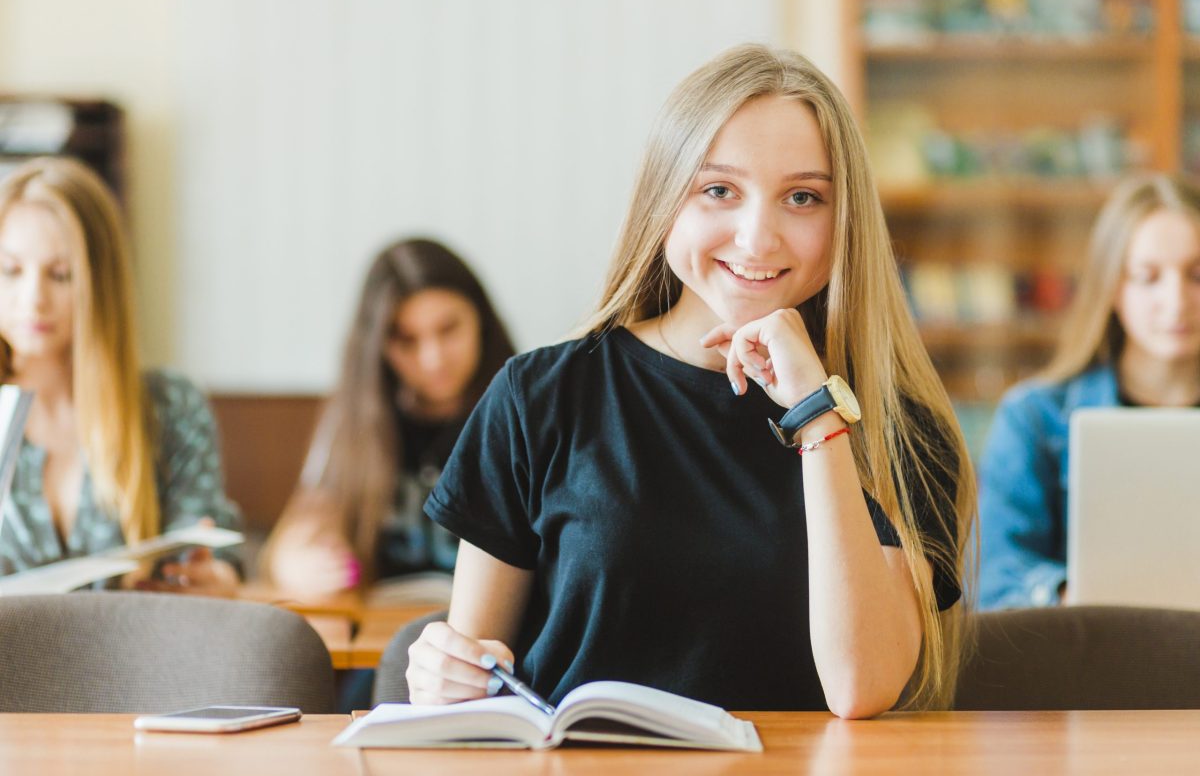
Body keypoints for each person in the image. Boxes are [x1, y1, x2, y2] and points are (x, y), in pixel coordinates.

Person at [405, 44, 976, 718]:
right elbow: (474, 688)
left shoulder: (902, 430)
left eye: (803, 197)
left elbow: (862, 686)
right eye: (719, 191)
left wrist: (816, 411)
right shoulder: (540, 396)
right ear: (664, 201)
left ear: (844, 219)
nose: (757, 238)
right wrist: (446, 676)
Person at [0, 156, 241, 594]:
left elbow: (215, 560)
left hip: (127, 660)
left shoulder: (171, 408)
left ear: (100, 283)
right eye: (10, 271)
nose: (32, 299)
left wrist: (215, 581)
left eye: (61, 274)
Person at [978, 173, 1200, 610]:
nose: (1176, 300)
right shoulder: (1036, 418)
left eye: (1197, 274)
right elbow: (995, 581)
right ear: (1113, 287)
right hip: (1093, 661)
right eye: (1147, 277)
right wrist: (1071, 596)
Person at [261, 238, 516, 597]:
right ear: (379, 346)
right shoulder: (354, 422)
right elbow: (294, 537)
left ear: (481, 322)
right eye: (407, 340)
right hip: (383, 629)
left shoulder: (524, 414)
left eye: (448, 329)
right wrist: (297, 562)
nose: (433, 359)